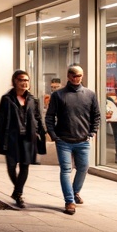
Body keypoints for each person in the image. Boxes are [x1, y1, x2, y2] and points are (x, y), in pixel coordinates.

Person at [45, 64, 101, 215]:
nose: (77, 78)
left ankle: (75, 192)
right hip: (63, 140)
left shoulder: (90, 94)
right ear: (68, 76)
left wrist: (92, 132)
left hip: (83, 140)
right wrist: (53, 134)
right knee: (66, 170)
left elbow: (96, 115)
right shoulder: (58, 95)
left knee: (83, 168)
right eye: (74, 76)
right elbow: (50, 116)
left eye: (79, 76)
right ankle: (69, 201)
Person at [0, 70, 47, 208]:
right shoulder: (7, 99)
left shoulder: (33, 100)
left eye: (27, 80)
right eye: (22, 80)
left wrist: (43, 133)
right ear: (15, 81)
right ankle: (18, 192)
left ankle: (18, 193)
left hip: (28, 138)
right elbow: (1, 120)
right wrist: (0, 140)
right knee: (11, 166)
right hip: (11, 137)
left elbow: (38, 118)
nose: (25, 83)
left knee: (25, 165)